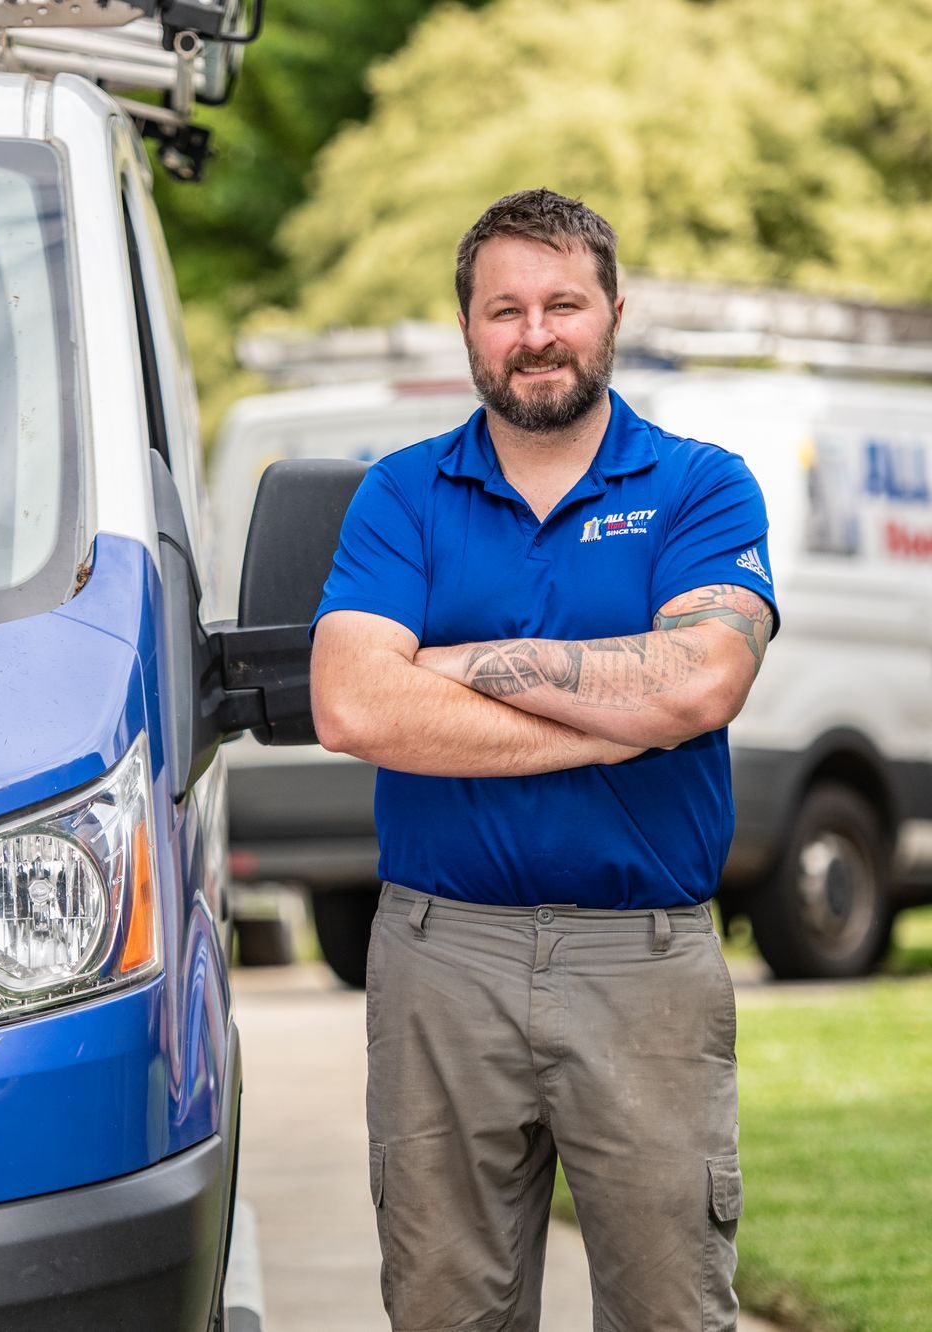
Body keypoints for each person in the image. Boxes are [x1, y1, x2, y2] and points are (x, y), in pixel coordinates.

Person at [309, 188, 777, 1332]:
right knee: (443, 1310)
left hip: (645, 961)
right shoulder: (402, 493)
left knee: (673, 1308)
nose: (536, 334)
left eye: (563, 302)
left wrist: (457, 668)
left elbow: (706, 681)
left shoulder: (701, 487)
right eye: (504, 308)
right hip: (440, 956)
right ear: (467, 328)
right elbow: (351, 706)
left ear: (613, 310)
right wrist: (616, 709)